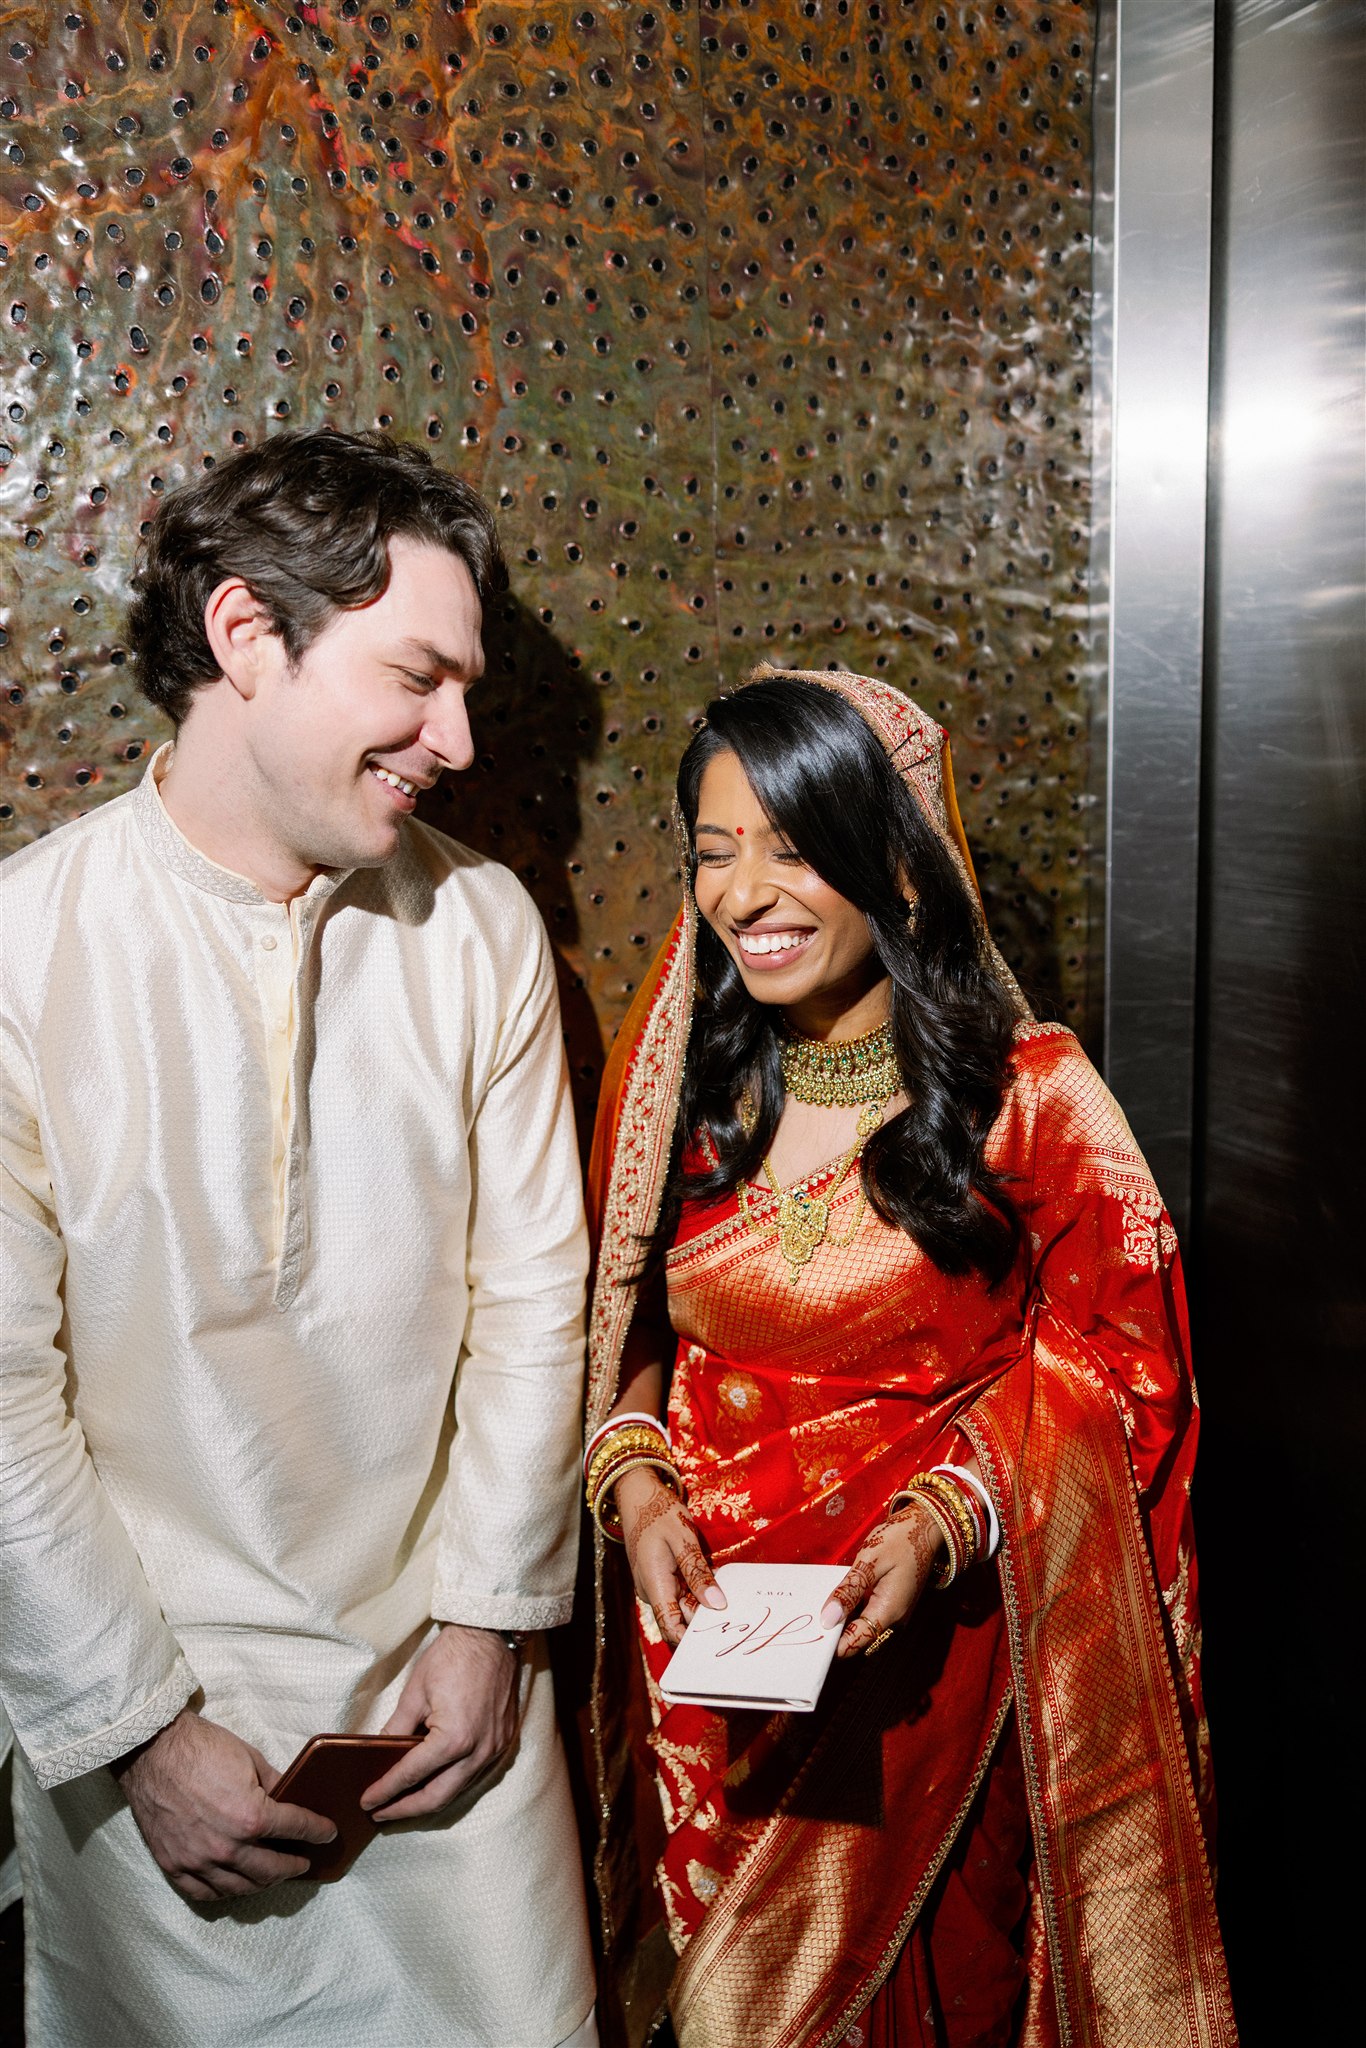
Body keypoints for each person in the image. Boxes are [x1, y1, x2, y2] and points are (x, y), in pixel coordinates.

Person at [0, 429, 597, 2047]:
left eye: (467, 690)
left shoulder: (476, 929)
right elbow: (1, 1399)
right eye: (418, 676)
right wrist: (137, 1733)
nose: (458, 739)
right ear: (249, 636)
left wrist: (490, 1625)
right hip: (152, 1739)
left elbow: (535, 1307)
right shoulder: (24, 949)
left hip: (448, 1715)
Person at [581, 666, 1236, 2047]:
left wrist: (949, 1516)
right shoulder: (680, 1099)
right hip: (704, 1678)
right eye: (714, 852)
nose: (745, 894)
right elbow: (615, 1330)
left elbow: (1130, 1372)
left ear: (893, 863)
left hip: (925, 1686)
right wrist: (633, 1484)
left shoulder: (1032, 1095)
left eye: (795, 847)